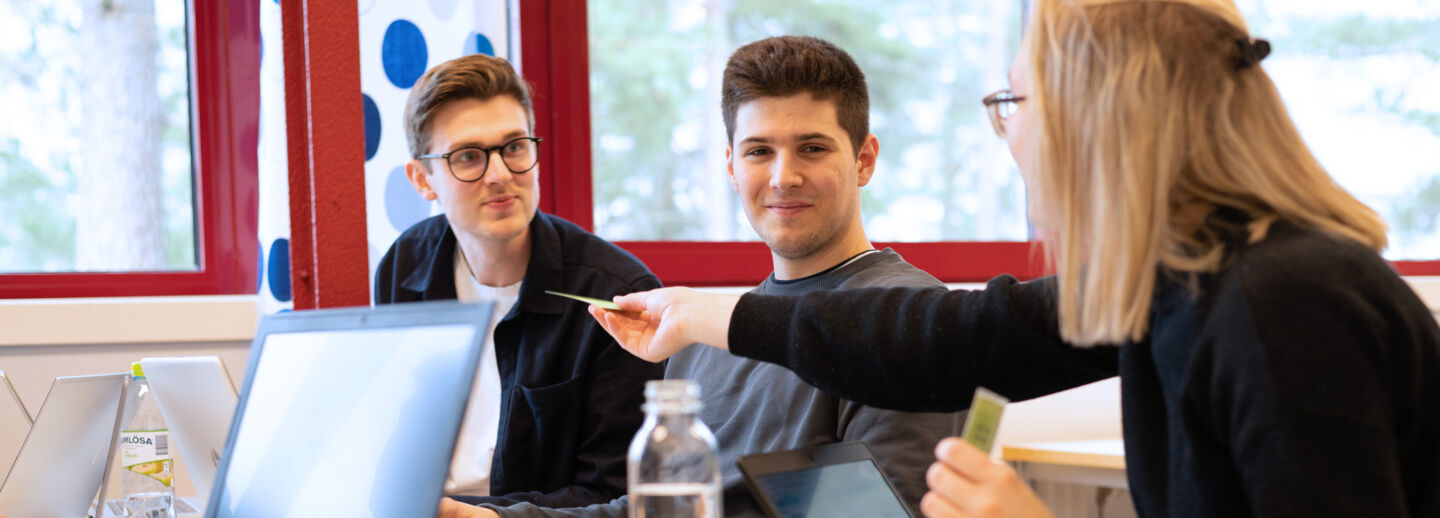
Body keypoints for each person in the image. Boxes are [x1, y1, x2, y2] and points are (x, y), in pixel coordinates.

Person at [588, 1, 1440, 517]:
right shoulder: (1174, 284)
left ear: (1104, 119)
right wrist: (699, 312)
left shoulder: (1284, 307)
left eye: (1015, 102)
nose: (1012, 137)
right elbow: (953, 336)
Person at [444, 36, 965, 518]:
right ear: (732, 167)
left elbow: (886, 511)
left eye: (812, 147)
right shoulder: (706, 337)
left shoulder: (910, 319)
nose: (784, 176)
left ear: (864, 160)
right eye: (759, 150)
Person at [373, 54, 665, 510]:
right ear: (422, 179)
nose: (500, 175)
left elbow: (618, 497)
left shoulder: (615, 292)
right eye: (467, 157)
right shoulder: (402, 268)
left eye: (514, 147)